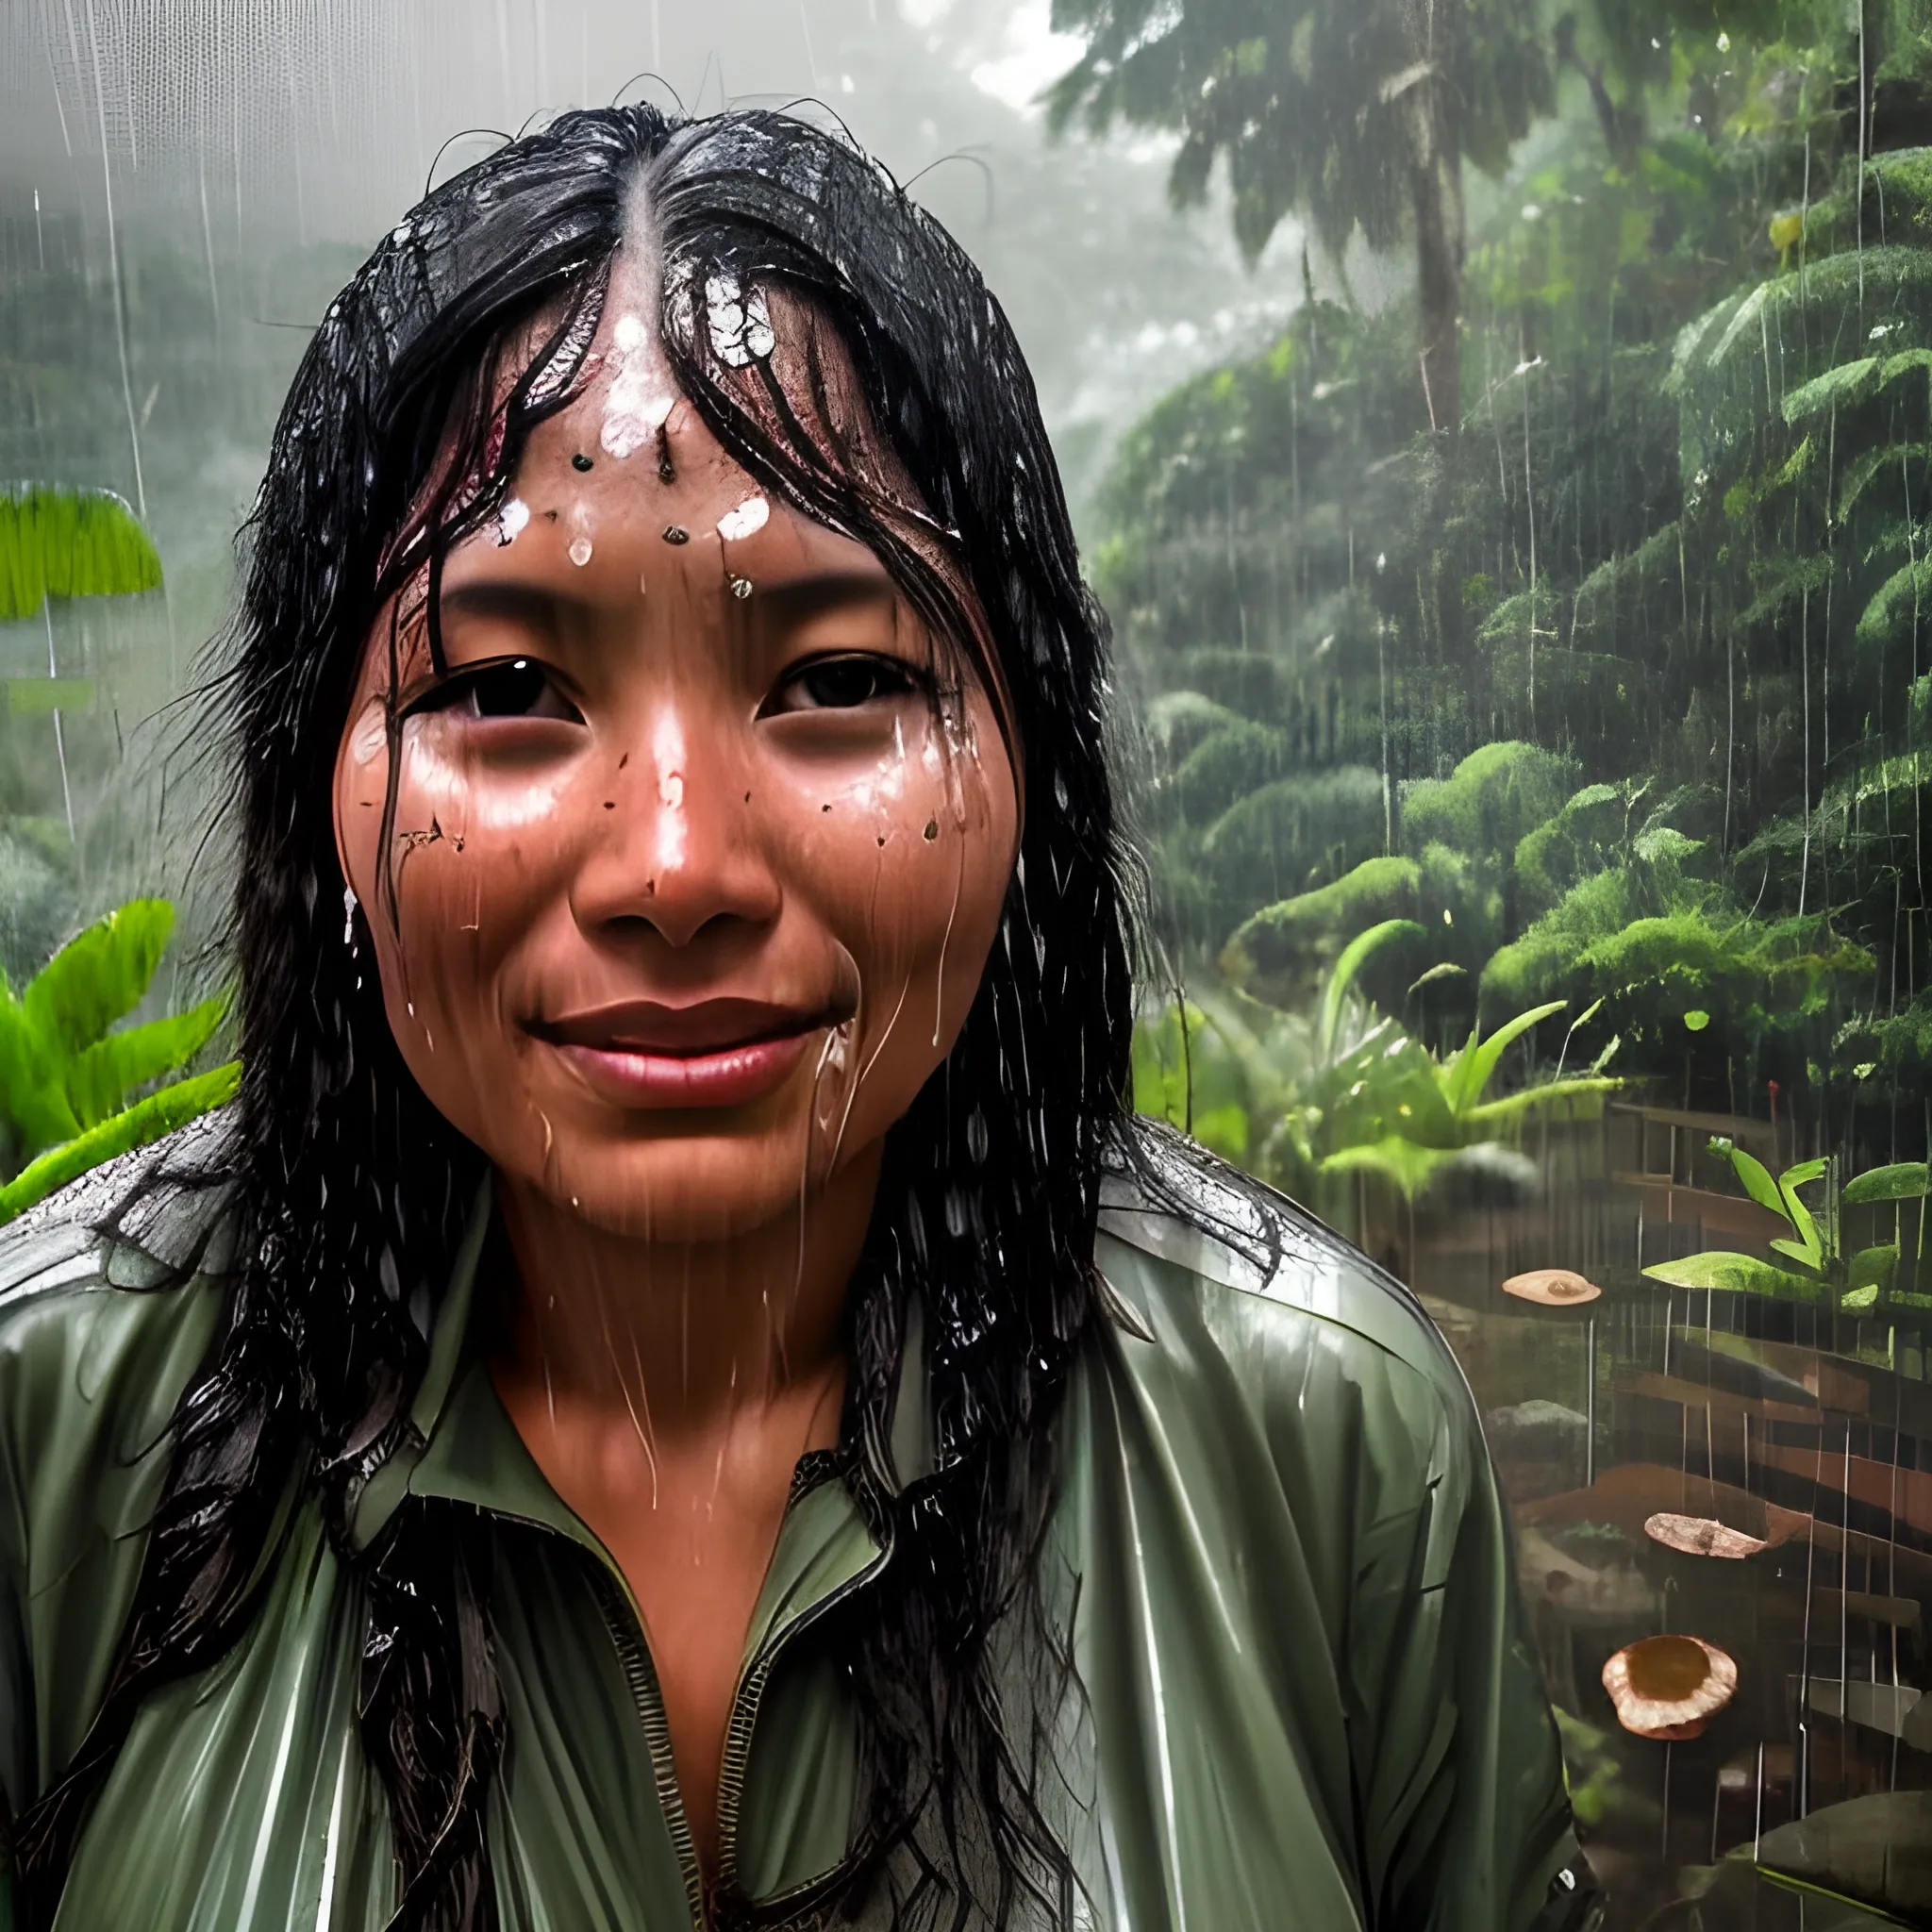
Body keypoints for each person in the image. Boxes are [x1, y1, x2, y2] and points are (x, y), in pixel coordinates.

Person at [0, 105, 1600, 1931]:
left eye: (841, 678)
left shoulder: (1321, 1428)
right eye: (507, 685)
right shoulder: (47, 1428)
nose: (676, 864)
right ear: (323, 785)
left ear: (1025, 772)